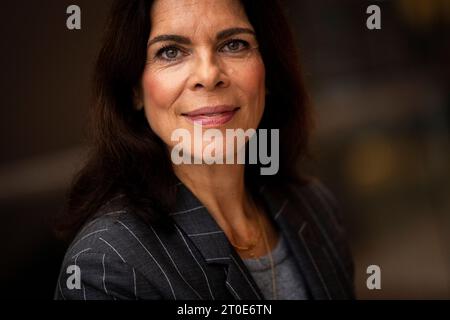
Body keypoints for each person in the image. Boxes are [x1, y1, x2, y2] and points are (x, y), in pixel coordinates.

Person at [54, 0, 354, 300]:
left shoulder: (316, 208)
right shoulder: (106, 267)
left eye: (234, 44)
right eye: (170, 51)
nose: (209, 75)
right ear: (134, 89)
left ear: (268, 71)